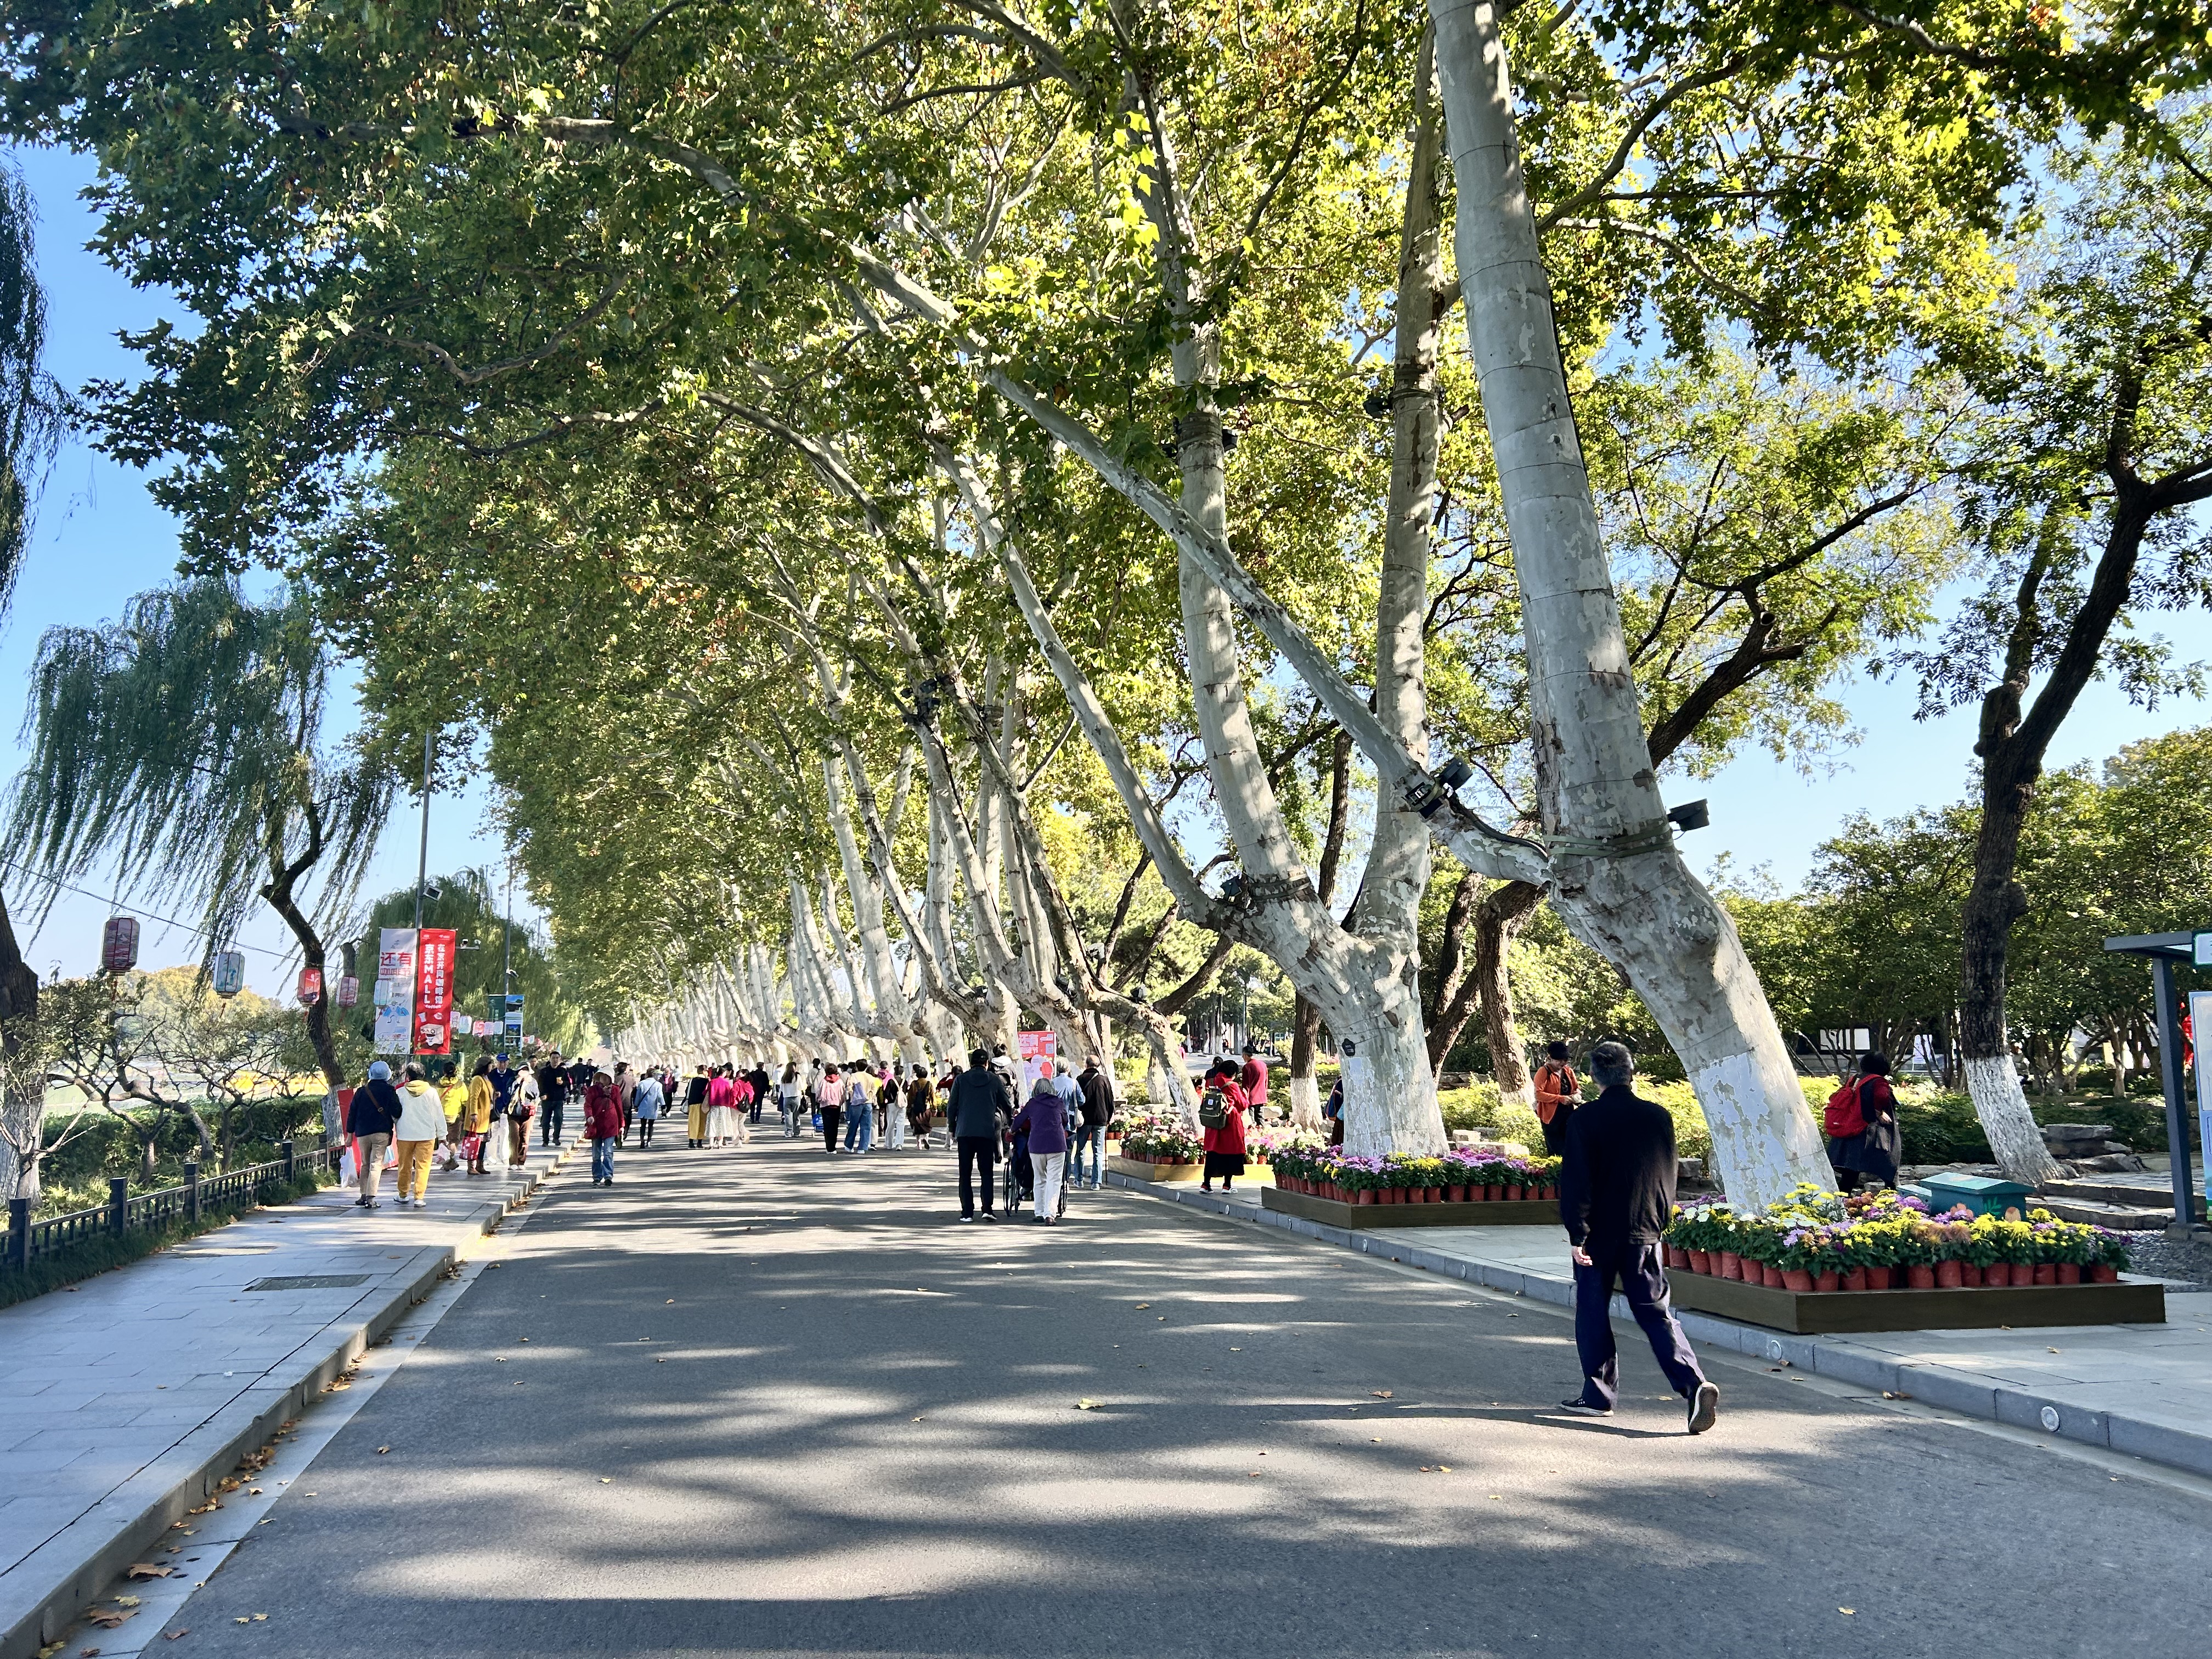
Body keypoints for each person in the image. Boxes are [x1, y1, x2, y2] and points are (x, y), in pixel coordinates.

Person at [1558, 1041, 1719, 1434]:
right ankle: (1693, 1384)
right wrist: (1659, 1223)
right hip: (1644, 1228)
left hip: (1598, 1233)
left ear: (1594, 1076)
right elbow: (1668, 1174)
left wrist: (1577, 1233)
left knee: (1593, 1312)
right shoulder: (1658, 1117)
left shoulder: (1585, 1119)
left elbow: (1577, 1181)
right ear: (1632, 1072)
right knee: (1654, 1312)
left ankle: (1598, 1395)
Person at [949, 1048, 1013, 1221]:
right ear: (987, 1063)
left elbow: (952, 1105)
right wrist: (1012, 1121)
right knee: (986, 1172)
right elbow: (1006, 1103)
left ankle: (967, 1212)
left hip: (965, 1132)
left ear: (971, 1063)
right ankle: (987, 1209)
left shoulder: (961, 1080)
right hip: (986, 1131)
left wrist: (952, 1127)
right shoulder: (994, 1080)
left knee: (965, 1173)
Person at [1827, 1052, 1901, 1192]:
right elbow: (1881, 1097)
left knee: (1851, 1170)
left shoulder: (1855, 1079)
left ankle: (1843, 1199)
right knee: (1889, 1163)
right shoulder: (1879, 1081)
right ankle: (1891, 1197)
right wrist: (1880, 1112)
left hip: (1852, 1127)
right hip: (1869, 1131)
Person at [1012, 1075, 1070, 1223]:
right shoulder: (1058, 1103)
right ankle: (1050, 1214)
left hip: (1037, 1145)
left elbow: (1019, 1121)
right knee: (1054, 1180)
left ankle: (1039, 1212)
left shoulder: (1032, 1104)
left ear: (1036, 1090)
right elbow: (1065, 1120)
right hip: (1057, 1145)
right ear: (1052, 1089)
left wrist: (1012, 1131)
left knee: (1039, 1179)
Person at [347, 1060, 403, 1209]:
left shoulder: (361, 1091)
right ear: (387, 1074)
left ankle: (363, 1196)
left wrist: (349, 1134)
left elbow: (352, 1113)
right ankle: (371, 1198)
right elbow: (397, 1111)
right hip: (381, 1133)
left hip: (362, 1134)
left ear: (371, 1073)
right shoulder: (390, 1090)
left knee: (365, 1164)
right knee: (376, 1164)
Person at [392, 1061, 444, 1209]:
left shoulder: (400, 1092)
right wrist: (443, 1135)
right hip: (427, 1135)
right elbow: (438, 1115)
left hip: (405, 1135)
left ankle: (403, 1195)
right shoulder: (432, 1092)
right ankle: (419, 1197)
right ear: (423, 1075)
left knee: (404, 1165)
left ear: (408, 1076)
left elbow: (395, 1114)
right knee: (423, 1166)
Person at [1199, 1059, 1251, 1192]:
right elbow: (1243, 1105)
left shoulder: (1211, 1081)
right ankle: (1227, 1185)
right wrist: (1245, 1095)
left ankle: (1206, 1184)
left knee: (1212, 1154)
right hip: (1229, 1122)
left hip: (1213, 1122)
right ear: (1233, 1073)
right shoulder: (1232, 1085)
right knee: (1230, 1153)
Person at [1533, 1041, 1581, 1156]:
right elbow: (1539, 1094)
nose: (1562, 1063)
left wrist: (1577, 1095)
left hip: (1568, 1113)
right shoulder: (1544, 1072)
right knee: (1556, 1149)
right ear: (1551, 1058)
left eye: (1565, 1060)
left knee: (1570, 1146)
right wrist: (1560, 1099)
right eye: (1559, 1060)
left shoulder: (1568, 1071)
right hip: (1551, 1116)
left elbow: (1576, 1088)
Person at [1074, 1057, 1114, 1189]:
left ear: (1086, 1065)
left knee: (1080, 1149)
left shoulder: (1080, 1079)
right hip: (1100, 1119)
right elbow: (1110, 1101)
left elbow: (1076, 1101)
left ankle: (1079, 1179)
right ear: (1097, 1066)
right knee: (1098, 1152)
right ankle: (1096, 1182)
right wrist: (1108, 1118)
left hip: (1084, 1120)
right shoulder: (1104, 1080)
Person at [583, 1068, 623, 1186]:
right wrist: (589, 1116)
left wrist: (622, 1125)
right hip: (596, 1125)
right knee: (596, 1154)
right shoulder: (593, 1090)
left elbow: (619, 1107)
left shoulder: (615, 1090)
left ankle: (608, 1176)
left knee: (608, 1152)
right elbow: (588, 1104)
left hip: (611, 1125)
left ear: (611, 1078)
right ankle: (597, 1176)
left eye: (606, 1077)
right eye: (602, 1077)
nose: (604, 1079)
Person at [464, 1056, 496, 1175]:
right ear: (485, 1066)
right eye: (490, 1065)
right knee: (474, 1141)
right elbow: (474, 1097)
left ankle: (480, 1164)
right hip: (478, 1118)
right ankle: (471, 1166)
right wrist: (474, 1113)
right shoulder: (477, 1079)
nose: (492, 1068)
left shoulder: (486, 1080)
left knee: (482, 1142)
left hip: (486, 1118)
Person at [537, 1051, 569, 1146]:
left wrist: (562, 1083)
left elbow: (568, 1083)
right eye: (553, 1058)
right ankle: (545, 1140)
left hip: (558, 1099)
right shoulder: (545, 1071)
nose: (555, 1060)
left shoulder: (562, 1071)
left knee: (558, 1118)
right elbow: (541, 1084)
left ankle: (556, 1137)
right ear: (550, 1059)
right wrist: (543, 1094)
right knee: (546, 1121)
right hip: (547, 1099)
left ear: (559, 1059)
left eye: (557, 1058)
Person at [509, 1061, 538, 1166]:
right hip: (513, 1113)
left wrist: (525, 1086)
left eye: (526, 1070)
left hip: (527, 1113)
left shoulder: (532, 1082)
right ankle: (513, 1162)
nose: (523, 1072)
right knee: (514, 1138)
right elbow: (509, 1092)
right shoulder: (513, 1080)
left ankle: (521, 1161)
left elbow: (536, 1095)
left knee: (524, 1138)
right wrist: (517, 1082)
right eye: (522, 1070)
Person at [843, 1065, 876, 1154]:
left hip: (856, 1103)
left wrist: (853, 1095)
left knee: (853, 1124)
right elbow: (874, 1089)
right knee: (866, 1126)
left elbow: (849, 1087)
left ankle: (849, 1146)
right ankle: (862, 1147)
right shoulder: (870, 1077)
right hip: (868, 1103)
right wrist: (869, 1097)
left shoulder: (853, 1076)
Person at [905, 1064, 936, 1150]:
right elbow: (933, 1097)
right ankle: (925, 1138)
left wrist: (909, 1107)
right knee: (926, 1124)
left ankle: (919, 1144)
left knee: (917, 1125)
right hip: (926, 1107)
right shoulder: (929, 1084)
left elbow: (910, 1097)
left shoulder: (914, 1084)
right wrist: (935, 1108)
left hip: (916, 1107)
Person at [706, 1065, 738, 1147]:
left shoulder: (712, 1082)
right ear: (724, 1073)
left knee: (713, 1123)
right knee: (722, 1124)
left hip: (713, 1106)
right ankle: (720, 1144)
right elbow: (730, 1093)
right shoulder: (726, 1083)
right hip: (724, 1106)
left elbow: (706, 1092)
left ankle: (711, 1143)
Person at [633, 1066, 665, 1147]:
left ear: (647, 1074)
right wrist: (663, 1106)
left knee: (643, 1125)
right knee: (651, 1125)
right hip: (653, 1107)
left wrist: (636, 1105)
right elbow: (660, 1096)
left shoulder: (641, 1083)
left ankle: (642, 1141)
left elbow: (638, 1096)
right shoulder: (658, 1085)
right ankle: (649, 1141)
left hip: (643, 1107)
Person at [1239, 1042, 1269, 1125]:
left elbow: (1246, 1085)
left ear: (1245, 1055)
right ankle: (1264, 1135)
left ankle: (1253, 1136)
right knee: (1260, 1118)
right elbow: (1266, 1081)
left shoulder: (1247, 1067)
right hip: (1261, 1096)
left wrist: (1244, 1097)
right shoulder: (1263, 1065)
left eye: (1243, 1055)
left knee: (1251, 1121)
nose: (1242, 1057)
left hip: (1251, 1098)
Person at [819, 1064, 847, 1154]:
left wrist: (819, 1100)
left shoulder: (824, 1081)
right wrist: (841, 1102)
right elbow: (843, 1094)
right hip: (836, 1106)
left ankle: (829, 1147)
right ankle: (833, 1147)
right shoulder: (840, 1082)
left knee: (827, 1127)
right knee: (835, 1127)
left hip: (825, 1106)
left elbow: (819, 1093)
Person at [685, 1065, 710, 1148]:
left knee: (693, 1123)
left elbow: (687, 1091)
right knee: (702, 1123)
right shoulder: (707, 1081)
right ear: (704, 1072)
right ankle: (700, 1142)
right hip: (703, 1104)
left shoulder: (692, 1080)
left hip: (693, 1104)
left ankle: (691, 1142)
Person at [778, 1062, 805, 1138]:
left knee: (788, 1116)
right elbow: (801, 1087)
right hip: (796, 1097)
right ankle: (797, 1132)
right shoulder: (797, 1076)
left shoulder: (784, 1077)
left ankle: (788, 1133)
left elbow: (782, 1089)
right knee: (796, 1116)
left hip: (786, 1098)